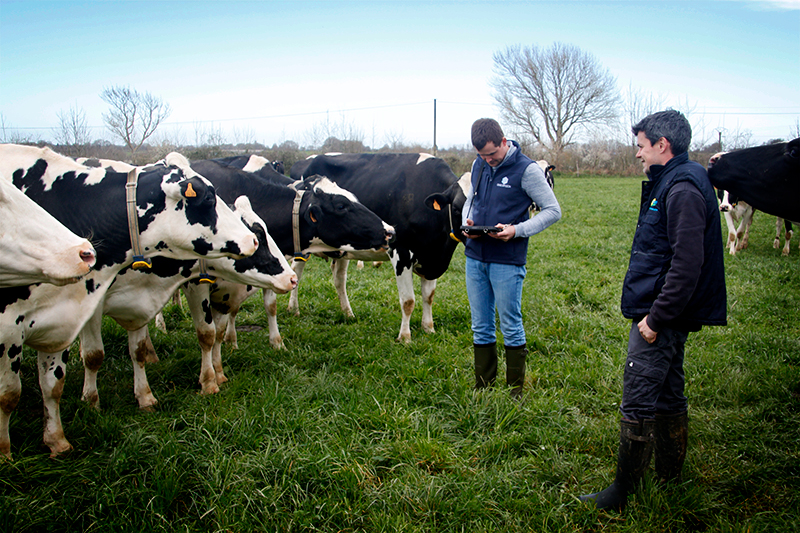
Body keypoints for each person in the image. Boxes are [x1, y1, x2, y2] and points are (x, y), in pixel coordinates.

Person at [580, 109, 727, 510]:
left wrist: (654, 319)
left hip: (662, 315)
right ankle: (669, 477)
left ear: (663, 145)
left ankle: (622, 492)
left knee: (640, 397)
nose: (638, 155)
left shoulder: (680, 189)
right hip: (670, 312)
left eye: (642, 147)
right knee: (669, 393)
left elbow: (686, 263)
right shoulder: (681, 178)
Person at [462, 118, 561, 399]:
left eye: (492, 154)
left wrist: (517, 230)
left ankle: (515, 391)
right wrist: (466, 220)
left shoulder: (527, 170)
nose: (488, 160)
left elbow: (552, 210)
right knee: (480, 324)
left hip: (507, 258)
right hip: (475, 254)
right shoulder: (479, 163)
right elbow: (471, 198)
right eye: (482, 156)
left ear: (504, 142)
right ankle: (483, 386)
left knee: (510, 323)